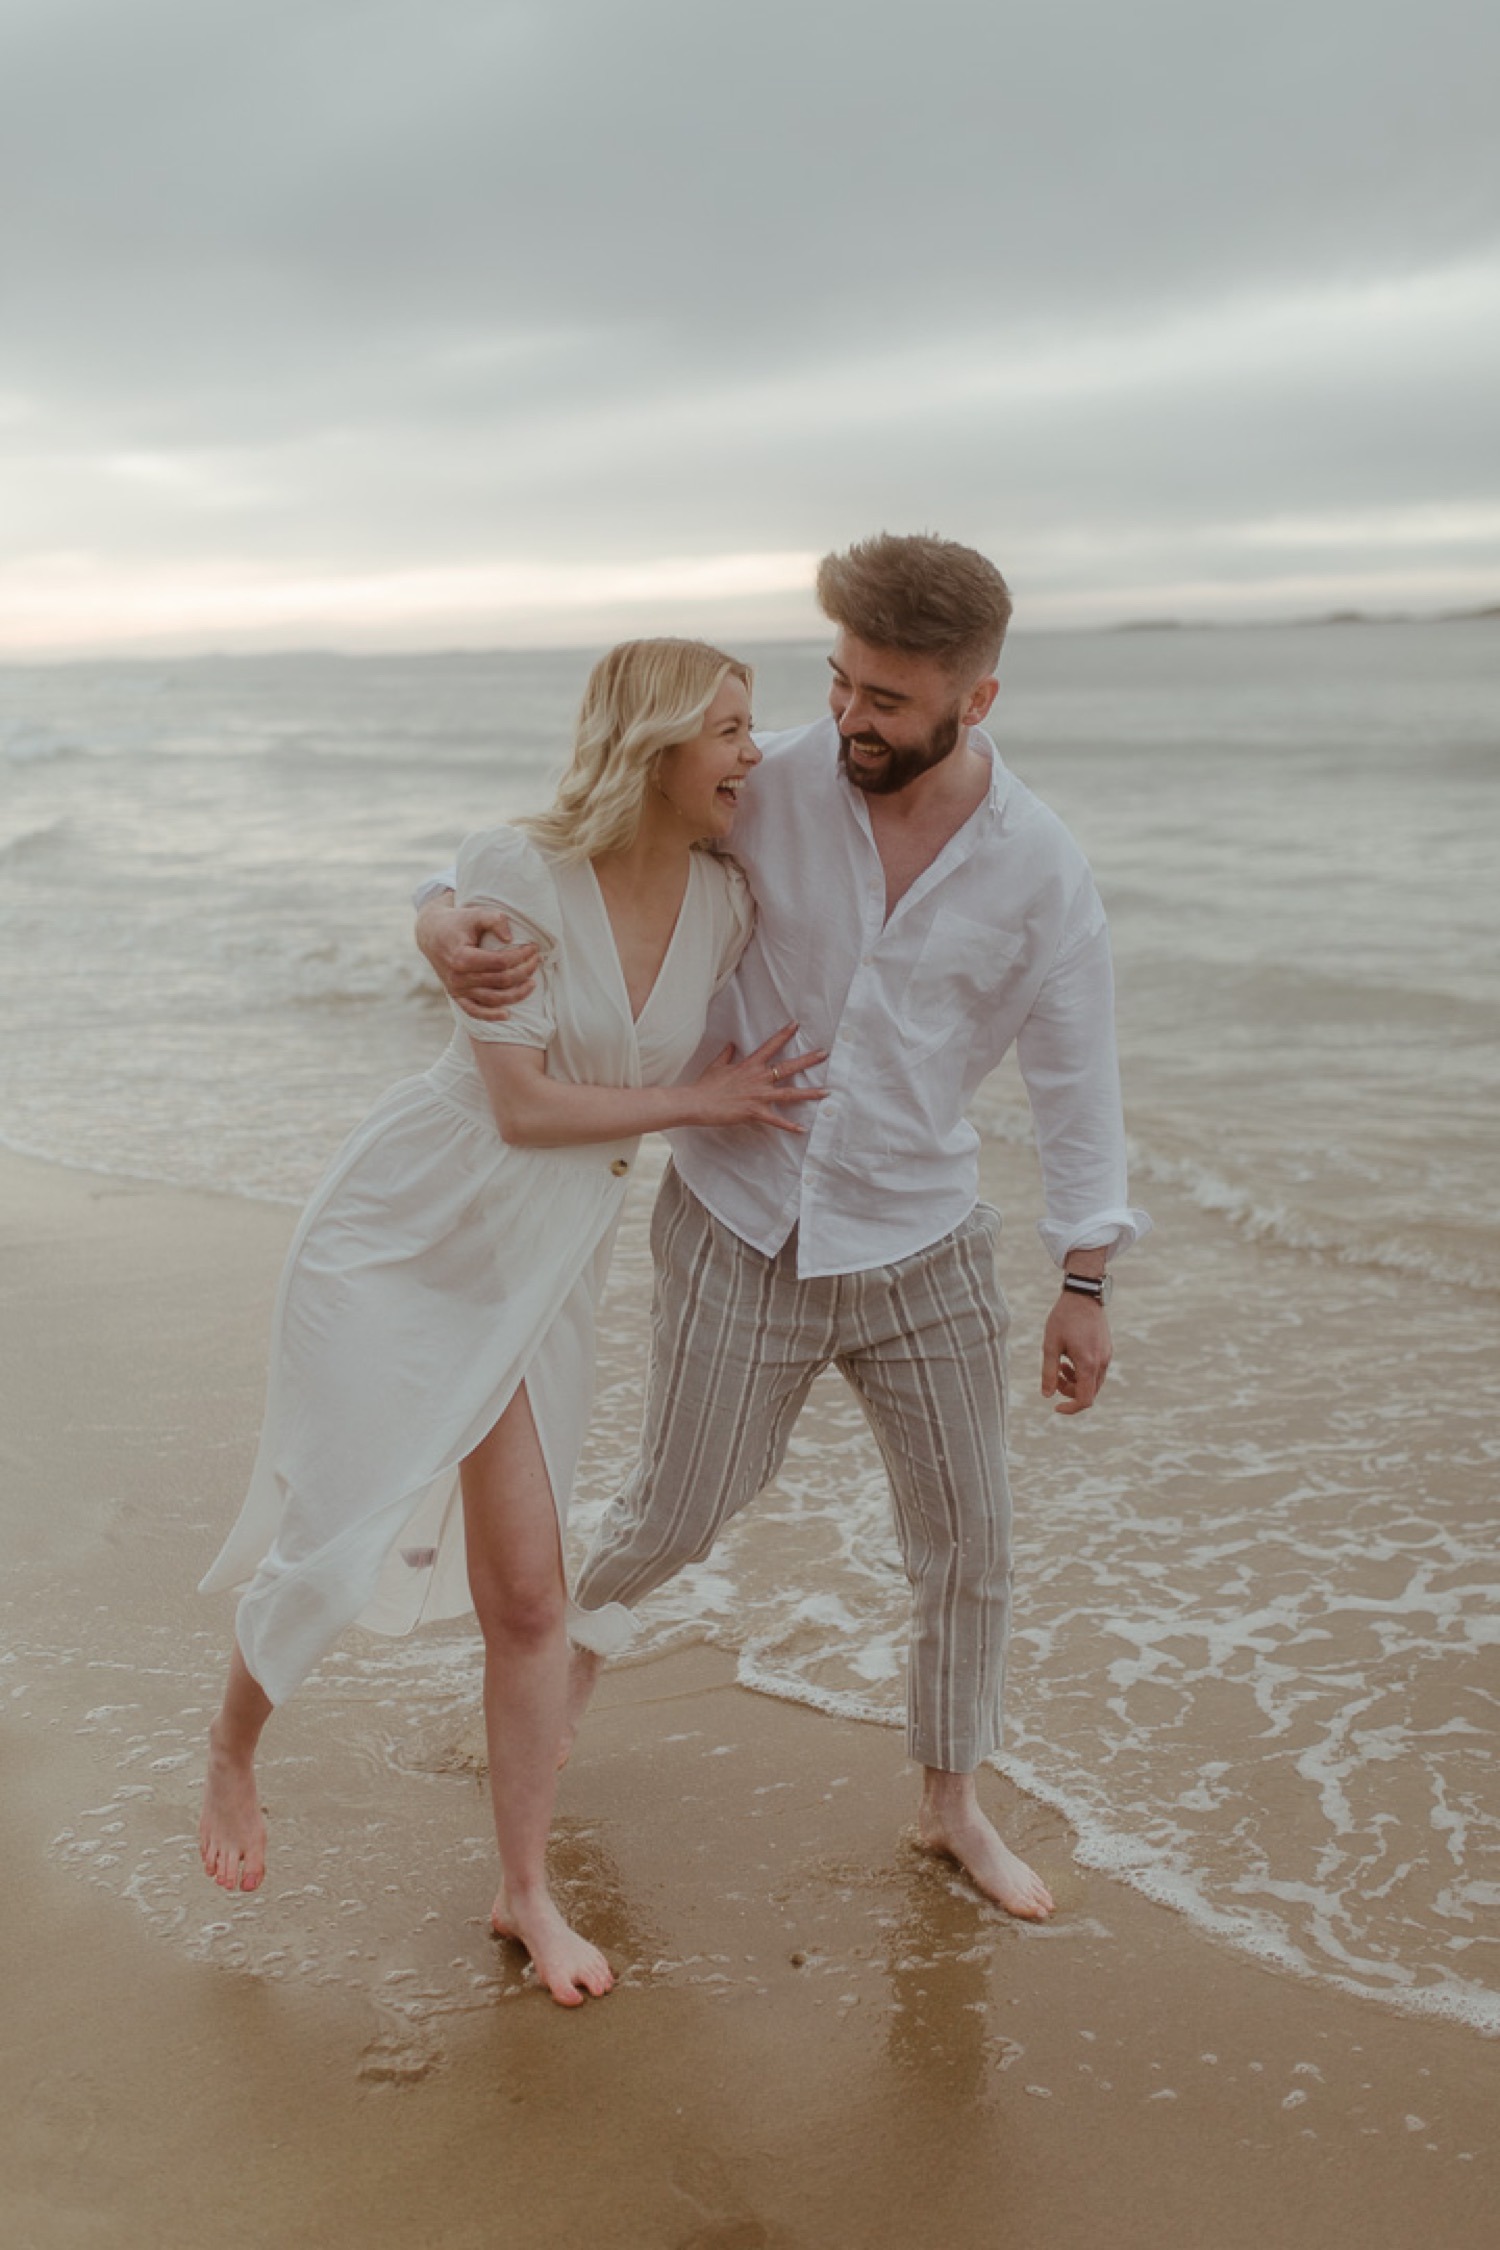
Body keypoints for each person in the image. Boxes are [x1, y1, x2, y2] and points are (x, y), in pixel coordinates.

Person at [416, 535, 1150, 1923]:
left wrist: (1086, 1276)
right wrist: (440, 918)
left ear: (975, 703)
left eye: (886, 700)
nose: (848, 721)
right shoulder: (766, 786)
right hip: (739, 1215)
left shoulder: (1041, 868)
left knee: (969, 1541)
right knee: (676, 1510)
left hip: (921, 1241)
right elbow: (559, 841)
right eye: (841, 681)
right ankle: (545, 1676)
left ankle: (950, 1805)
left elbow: (1076, 1077)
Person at [196, 638, 826, 2006]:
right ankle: (234, 1749)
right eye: (727, 726)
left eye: (755, 724)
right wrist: (698, 1101)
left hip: (549, 1268)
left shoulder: (728, 901)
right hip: (408, 1237)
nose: (752, 753)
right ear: (656, 744)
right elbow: (523, 1106)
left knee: (532, 1596)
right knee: (338, 1536)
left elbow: (856, 886)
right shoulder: (518, 878)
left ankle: (524, 1890)